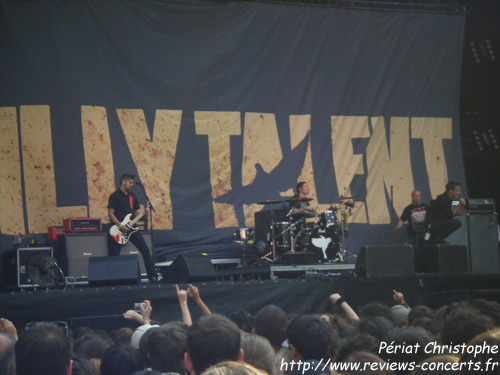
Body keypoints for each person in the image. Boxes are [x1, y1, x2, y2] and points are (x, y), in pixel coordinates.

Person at [107, 174, 160, 282]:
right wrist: (120, 225)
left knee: (145, 250)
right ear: (123, 182)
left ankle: (152, 276)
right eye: (130, 182)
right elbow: (110, 213)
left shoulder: (133, 197)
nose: (132, 184)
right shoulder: (115, 196)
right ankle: (112, 279)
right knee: (114, 255)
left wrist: (143, 214)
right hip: (117, 229)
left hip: (132, 229)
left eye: (132, 182)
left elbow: (135, 214)